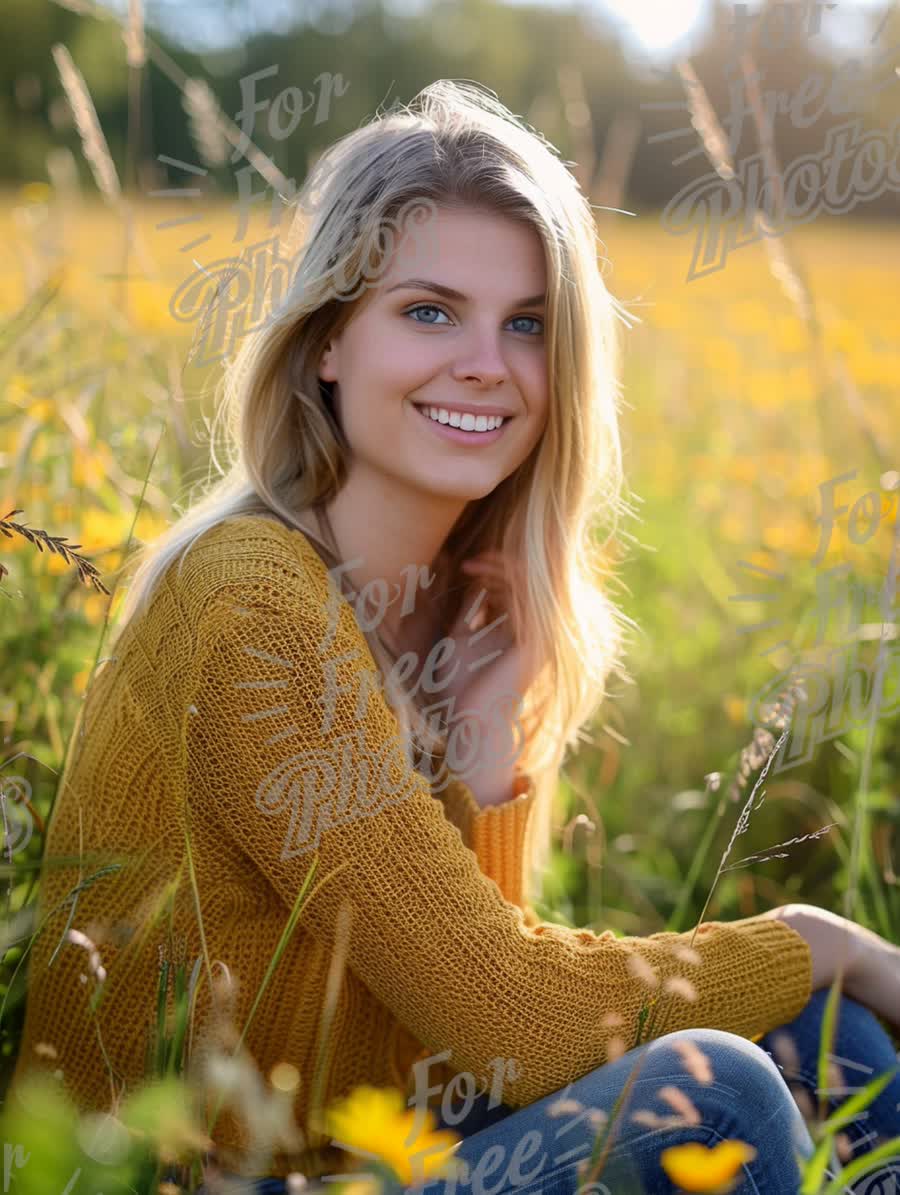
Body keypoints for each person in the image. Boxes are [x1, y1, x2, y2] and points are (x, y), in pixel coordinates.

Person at [10, 80, 899, 1195]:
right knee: (725, 1080)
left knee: (825, 1035)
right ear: (329, 340)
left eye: (526, 323)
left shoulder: (448, 609)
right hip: (175, 1178)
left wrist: (484, 756)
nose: (485, 360)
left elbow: (463, 1034)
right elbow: (515, 1016)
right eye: (428, 311)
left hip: (353, 1151)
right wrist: (829, 937)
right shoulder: (250, 601)